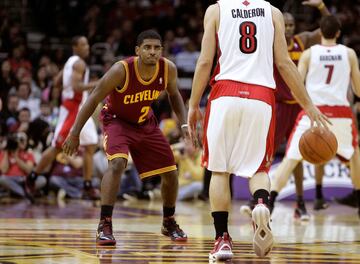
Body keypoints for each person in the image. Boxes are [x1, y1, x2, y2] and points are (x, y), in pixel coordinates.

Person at [187, 0, 330, 261]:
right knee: (260, 169)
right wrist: (308, 105)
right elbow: (285, 64)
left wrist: (194, 103)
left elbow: (205, 60)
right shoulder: (273, 12)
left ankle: (222, 240)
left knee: (219, 170)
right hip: (262, 96)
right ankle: (261, 203)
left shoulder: (216, 10)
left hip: (225, 93)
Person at [62, 30, 188, 245]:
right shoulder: (121, 70)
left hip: (145, 122)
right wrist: (74, 133)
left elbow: (175, 94)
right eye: (147, 47)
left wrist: (184, 123)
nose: (153, 52)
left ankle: (168, 221)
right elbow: (93, 99)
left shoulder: (168, 69)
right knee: (118, 163)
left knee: (170, 172)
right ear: (137, 50)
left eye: (157, 48)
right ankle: (105, 223)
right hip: (116, 121)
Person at [240, 0, 330, 218]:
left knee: (297, 155)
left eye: (291, 25)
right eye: (285, 25)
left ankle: (300, 204)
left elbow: (328, 28)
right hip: (277, 107)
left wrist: (321, 8)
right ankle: (258, 201)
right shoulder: (270, 46)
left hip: (299, 109)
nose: (288, 29)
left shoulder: (303, 40)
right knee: (266, 155)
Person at [270, 15, 360, 219]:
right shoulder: (349, 54)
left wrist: (306, 104)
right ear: (338, 33)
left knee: (290, 159)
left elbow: (296, 85)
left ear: (320, 31)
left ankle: (270, 202)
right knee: (354, 155)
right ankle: (358, 198)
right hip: (340, 113)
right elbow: (358, 88)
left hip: (313, 113)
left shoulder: (309, 54)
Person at [25, 36, 100, 202]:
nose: (87, 47)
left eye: (87, 44)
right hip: (72, 109)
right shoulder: (79, 63)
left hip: (79, 107)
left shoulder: (69, 62)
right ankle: (31, 178)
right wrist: (99, 83)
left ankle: (87, 186)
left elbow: (56, 82)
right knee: (58, 147)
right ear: (75, 47)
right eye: (83, 44)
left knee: (91, 145)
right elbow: (76, 87)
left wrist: (61, 96)